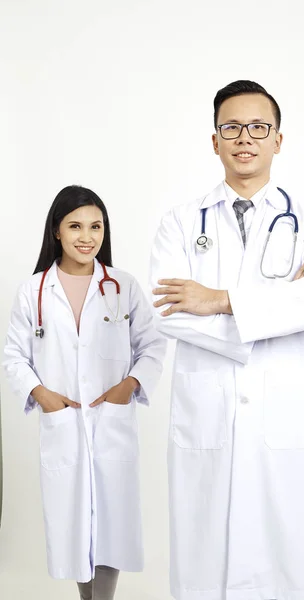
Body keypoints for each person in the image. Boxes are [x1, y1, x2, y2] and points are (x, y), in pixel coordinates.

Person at [150, 80, 304, 600]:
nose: (245, 138)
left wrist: (219, 299)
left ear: (278, 140)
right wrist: (277, 309)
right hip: (208, 416)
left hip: (285, 415)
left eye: (259, 127)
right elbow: (168, 313)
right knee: (205, 560)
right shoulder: (180, 222)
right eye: (231, 127)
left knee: (292, 559)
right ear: (214, 141)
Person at [3, 185, 166, 600]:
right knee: (76, 522)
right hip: (65, 424)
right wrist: (42, 394)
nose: (86, 236)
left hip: (110, 421)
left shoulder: (121, 286)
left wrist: (128, 386)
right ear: (56, 231)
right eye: (75, 225)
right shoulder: (34, 290)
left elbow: (152, 345)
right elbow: (13, 356)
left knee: (111, 519)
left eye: (96, 226)